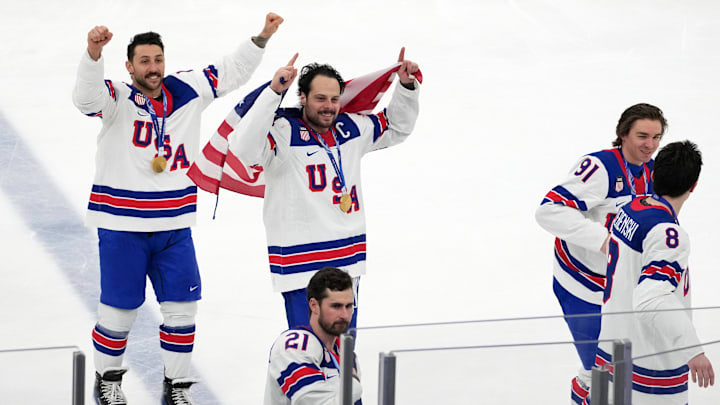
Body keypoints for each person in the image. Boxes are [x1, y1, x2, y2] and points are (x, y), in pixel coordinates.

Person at [72, 13, 283, 405]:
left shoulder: (187, 88)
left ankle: (177, 389)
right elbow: (85, 99)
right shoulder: (116, 96)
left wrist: (261, 38)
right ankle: (108, 381)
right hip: (122, 224)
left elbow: (231, 70)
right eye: (144, 61)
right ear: (130, 66)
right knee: (118, 313)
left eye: (158, 60)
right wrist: (93, 53)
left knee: (183, 311)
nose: (153, 68)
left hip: (174, 225)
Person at [226, 51, 420, 328]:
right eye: (320, 98)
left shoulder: (351, 127)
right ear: (302, 97)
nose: (329, 106)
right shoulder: (283, 131)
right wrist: (273, 91)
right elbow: (243, 150)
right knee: (307, 350)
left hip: (346, 260)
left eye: (334, 98)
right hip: (300, 262)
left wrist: (406, 87)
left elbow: (397, 127)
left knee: (342, 349)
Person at [535, 103, 667, 403]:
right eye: (642, 135)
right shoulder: (599, 167)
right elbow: (549, 211)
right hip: (582, 284)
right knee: (599, 368)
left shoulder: (655, 171)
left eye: (657, 137)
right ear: (623, 134)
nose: (650, 144)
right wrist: (607, 242)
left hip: (622, 283)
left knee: (625, 362)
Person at [586, 140, 713, 404]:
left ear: (653, 175)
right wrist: (693, 350)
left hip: (613, 349)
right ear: (693, 186)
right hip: (651, 370)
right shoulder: (668, 234)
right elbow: (652, 298)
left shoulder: (631, 208)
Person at [264, 267, 362, 405]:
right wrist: (354, 383)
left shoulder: (346, 354)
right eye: (336, 306)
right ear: (314, 305)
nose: (345, 315)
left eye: (349, 306)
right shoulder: (294, 346)